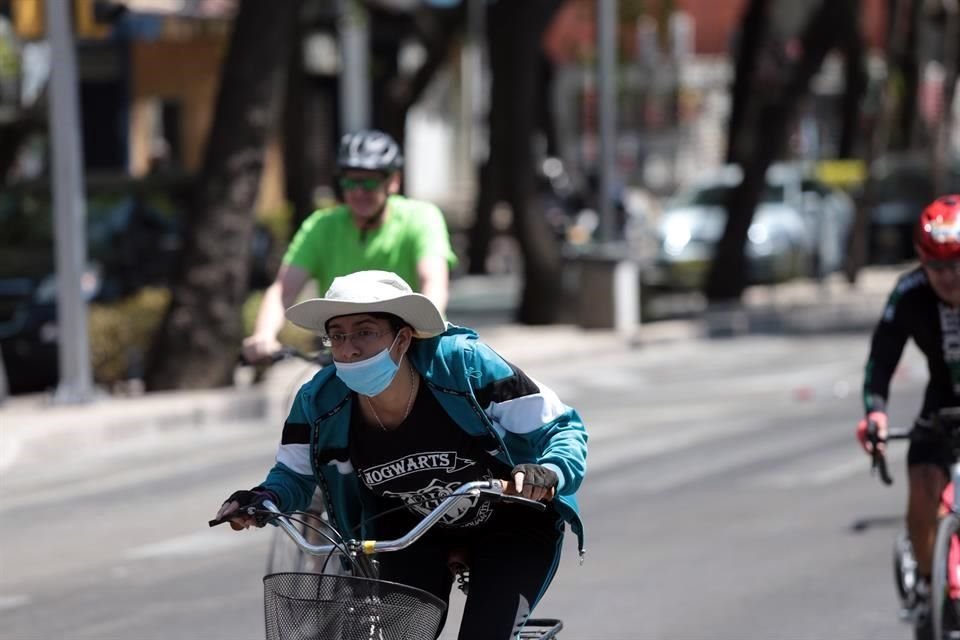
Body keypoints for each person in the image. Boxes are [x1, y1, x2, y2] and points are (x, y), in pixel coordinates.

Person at [217, 270, 587, 640]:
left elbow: (562, 429)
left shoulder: (462, 364)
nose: (349, 349)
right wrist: (262, 499)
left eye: (365, 332)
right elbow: (294, 476)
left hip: (511, 527)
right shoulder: (318, 400)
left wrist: (549, 471)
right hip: (411, 534)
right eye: (338, 336)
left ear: (403, 337)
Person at [242, 129, 457, 363]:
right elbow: (284, 289)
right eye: (350, 181)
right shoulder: (321, 226)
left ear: (393, 181)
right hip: (345, 354)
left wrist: (424, 331)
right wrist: (263, 334)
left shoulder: (421, 217)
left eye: (369, 182)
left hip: (410, 349)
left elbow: (433, 281)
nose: (358, 191)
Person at [856, 194, 960, 620]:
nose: (949, 278)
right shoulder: (910, 293)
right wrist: (875, 411)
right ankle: (929, 582)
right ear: (922, 262)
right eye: (937, 267)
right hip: (942, 402)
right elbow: (881, 357)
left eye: (957, 265)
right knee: (922, 484)